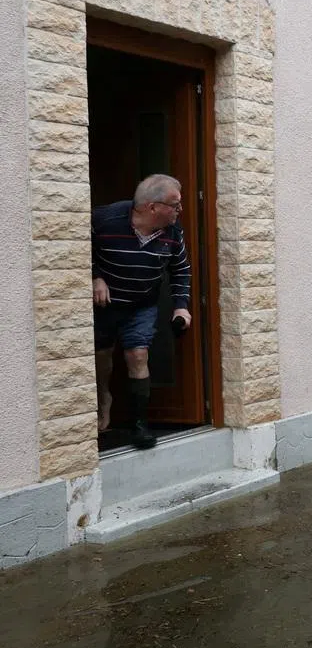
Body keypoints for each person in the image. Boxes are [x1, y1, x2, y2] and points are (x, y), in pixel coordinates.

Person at [91, 174, 192, 449]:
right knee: (102, 356)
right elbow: (74, 244)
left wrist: (181, 307)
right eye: (175, 205)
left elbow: (180, 270)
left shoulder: (173, 232)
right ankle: (103, 398)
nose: (180, 210)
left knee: (137, 353)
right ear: (153, 207)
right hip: (106, 305)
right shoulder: (104, 219)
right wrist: (95, 276)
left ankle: (139, 425)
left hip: (143, 304)